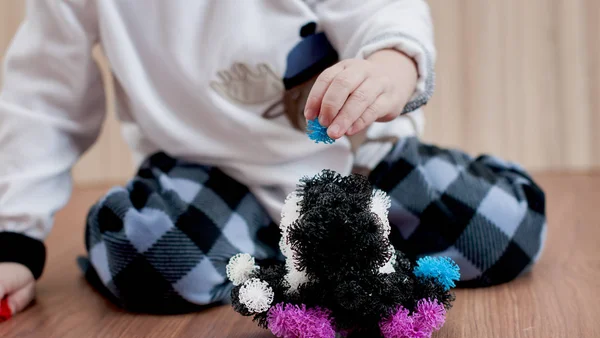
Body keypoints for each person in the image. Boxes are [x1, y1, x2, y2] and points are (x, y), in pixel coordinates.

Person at [0, 1, 546, 319]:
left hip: (359, 169)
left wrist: (390, 67)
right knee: (144, 258)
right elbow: (44, 96)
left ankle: (331, 251)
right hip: (211, 177)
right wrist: (15, 235)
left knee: (501, 228)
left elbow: (384, 13)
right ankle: (279, 254)